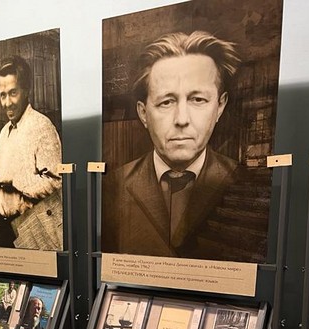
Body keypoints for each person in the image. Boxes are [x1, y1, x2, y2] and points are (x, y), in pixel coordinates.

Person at [101, 31, 243, 259]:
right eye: (166, 102)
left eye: (198, 99)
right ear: (143, 113)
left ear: (220, 106)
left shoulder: (243, 182)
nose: (182, 119)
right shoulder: (111, 187)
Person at [0, 56, 64, 250]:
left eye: (13, 93)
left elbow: (56, 181)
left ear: (26, 90)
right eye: (3, 95)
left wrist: (15, 181)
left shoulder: (42, 125)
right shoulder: (4, 132)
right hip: (4, 228)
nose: (7, 103)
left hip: (32, 227)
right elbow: (2, 182)